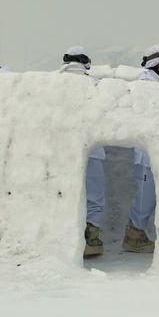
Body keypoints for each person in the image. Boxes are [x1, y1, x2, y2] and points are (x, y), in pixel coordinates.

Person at [123, 44, 159, 253]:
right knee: (145, 198)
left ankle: (136, 232)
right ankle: (134, 235)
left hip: (158, 154)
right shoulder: (145, 84)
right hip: (146, 156)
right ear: (155, 63)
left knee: (152, 197)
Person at [59, 46, 107, 257]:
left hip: (62, 153)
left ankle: (65, 237)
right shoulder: (94, 85)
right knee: (95, 197)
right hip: (93, 152)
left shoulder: (54, 85)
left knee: (65, 195)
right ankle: (91, 239)